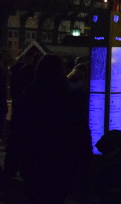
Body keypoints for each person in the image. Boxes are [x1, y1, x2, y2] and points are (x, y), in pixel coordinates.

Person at [11, 54, 89, 203]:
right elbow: (80, 129)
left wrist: (17, 158)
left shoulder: (29, 95)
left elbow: (19, 130)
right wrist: (83, 159)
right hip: (61, 160)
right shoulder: (70, 97)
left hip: (34, 159)